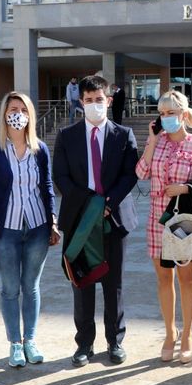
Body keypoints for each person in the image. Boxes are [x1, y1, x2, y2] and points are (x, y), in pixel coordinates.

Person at [53, 75, 138, 368]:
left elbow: (130, 174)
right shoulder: (67, 136)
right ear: (80, 102)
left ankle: (115, 341)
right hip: (80, 219)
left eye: (99, 99)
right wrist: (89, 205)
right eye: (88, 100)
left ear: (109, 101)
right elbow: (60, 176)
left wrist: (107, 203)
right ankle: (84, 344)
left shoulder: (124, 135)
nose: (94, 104)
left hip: (114, 220)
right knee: (82, 283)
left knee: (114, 285)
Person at [0, 91, 60, 368]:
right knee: (11, 288)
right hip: (5, 231)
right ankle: (15, 343)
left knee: (31, 287)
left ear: (30, 115)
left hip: (37, 227)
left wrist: (53, 221)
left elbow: (47, 187)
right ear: (4, 113)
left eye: (23, 110)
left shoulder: (40, 149)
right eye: (13, 109)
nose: (18, 114)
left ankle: (30, 340)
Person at [135, 90, 192, 364]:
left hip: (185, 221)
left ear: (183, 114)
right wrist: (153, 141)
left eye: (171, 112)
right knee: (163, 278)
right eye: (162, 113)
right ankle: (170, 333)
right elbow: (141, 173)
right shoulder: (156, 142)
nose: (166, 117)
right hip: (157, 219)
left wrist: (184, 188)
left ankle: (188, 333)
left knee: (187, 278)